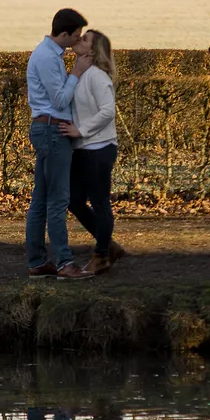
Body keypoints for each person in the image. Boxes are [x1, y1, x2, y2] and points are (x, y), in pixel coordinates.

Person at [25, 8, 92, 280]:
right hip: (53, 130)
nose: (77, 41)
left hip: (47, 129)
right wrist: (77, 71)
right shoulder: (47, 58)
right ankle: (65, 263)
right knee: (57, 200)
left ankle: (38, 262)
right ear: (63, 33)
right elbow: (60, 100)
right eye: (75, 36)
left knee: (41, 199)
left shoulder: (48, 55)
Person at [61, 30, 128, 276]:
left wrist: (81, 130)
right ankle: (109, 246)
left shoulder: (98, 77)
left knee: (100, 202)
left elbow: (107, 111)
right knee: (75, 201)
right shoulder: (81, 75)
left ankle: (101, 256)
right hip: (83, 149)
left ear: (93, 50)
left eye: (85, 39)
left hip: (99, 148)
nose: (79, 40)